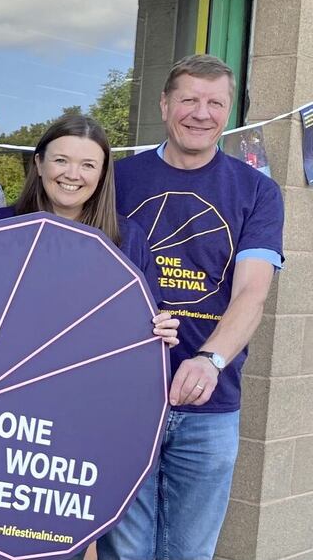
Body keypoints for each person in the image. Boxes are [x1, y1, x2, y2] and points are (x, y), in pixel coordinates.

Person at [97, 54, 284, 560]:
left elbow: (252, 292)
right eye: (189, 100)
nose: (201, 113)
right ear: (165, 104)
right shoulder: (116, 179)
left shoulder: (257, 191)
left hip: (210, 405)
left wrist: (210, 359)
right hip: (125, 399)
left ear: (227, 113)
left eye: (214, 102)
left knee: (188, 552)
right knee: (124, 551)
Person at [0, 114, 180, 560]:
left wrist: (160, 335)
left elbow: (144, 337)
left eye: (88, 165)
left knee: (66, 542)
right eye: (61, 160)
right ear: (38, 163)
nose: (72, 174)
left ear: (102, 174)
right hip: (3, 419)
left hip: (83, 426)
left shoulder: (127, 241)